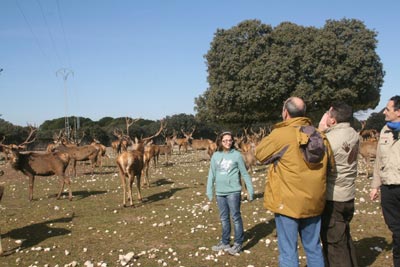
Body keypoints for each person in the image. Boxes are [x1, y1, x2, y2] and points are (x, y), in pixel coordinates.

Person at [255, 96, 332, 267]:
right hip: (314, 201)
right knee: (313, 247)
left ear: (285, 112)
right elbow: (331, 165)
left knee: (288, 249)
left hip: (287, 203)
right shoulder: (319, 135)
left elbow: (259, 155)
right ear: (304, 113)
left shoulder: (280, 135)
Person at [318, 102, 359, 267]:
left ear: (333, 120)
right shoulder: (354, 134)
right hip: (348, 195)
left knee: (334, 243)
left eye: (328, 114)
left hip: (333, 197)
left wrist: (320, 130)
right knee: (344, 237)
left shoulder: (328, 139)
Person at [206, 131, 254, 255]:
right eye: (225, 140)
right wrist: (209, 190)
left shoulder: (237, 155)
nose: (228, 142)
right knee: (223, 218)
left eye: (230, 140)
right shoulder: (215, 156)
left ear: (233, 141)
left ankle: (238, 243)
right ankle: (225, 241)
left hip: (233, 192)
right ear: (220, 142)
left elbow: (244, 173)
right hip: (220, 192)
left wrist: (250, 190)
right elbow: (211, 173)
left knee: (235, 217)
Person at [370, 95, 400, 267]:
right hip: (388, 189)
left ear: (398, 111)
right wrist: (375, 185)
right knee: (396, 229)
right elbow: (379, 160)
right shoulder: (385, 130)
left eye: (388, 109)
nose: (384, 112)